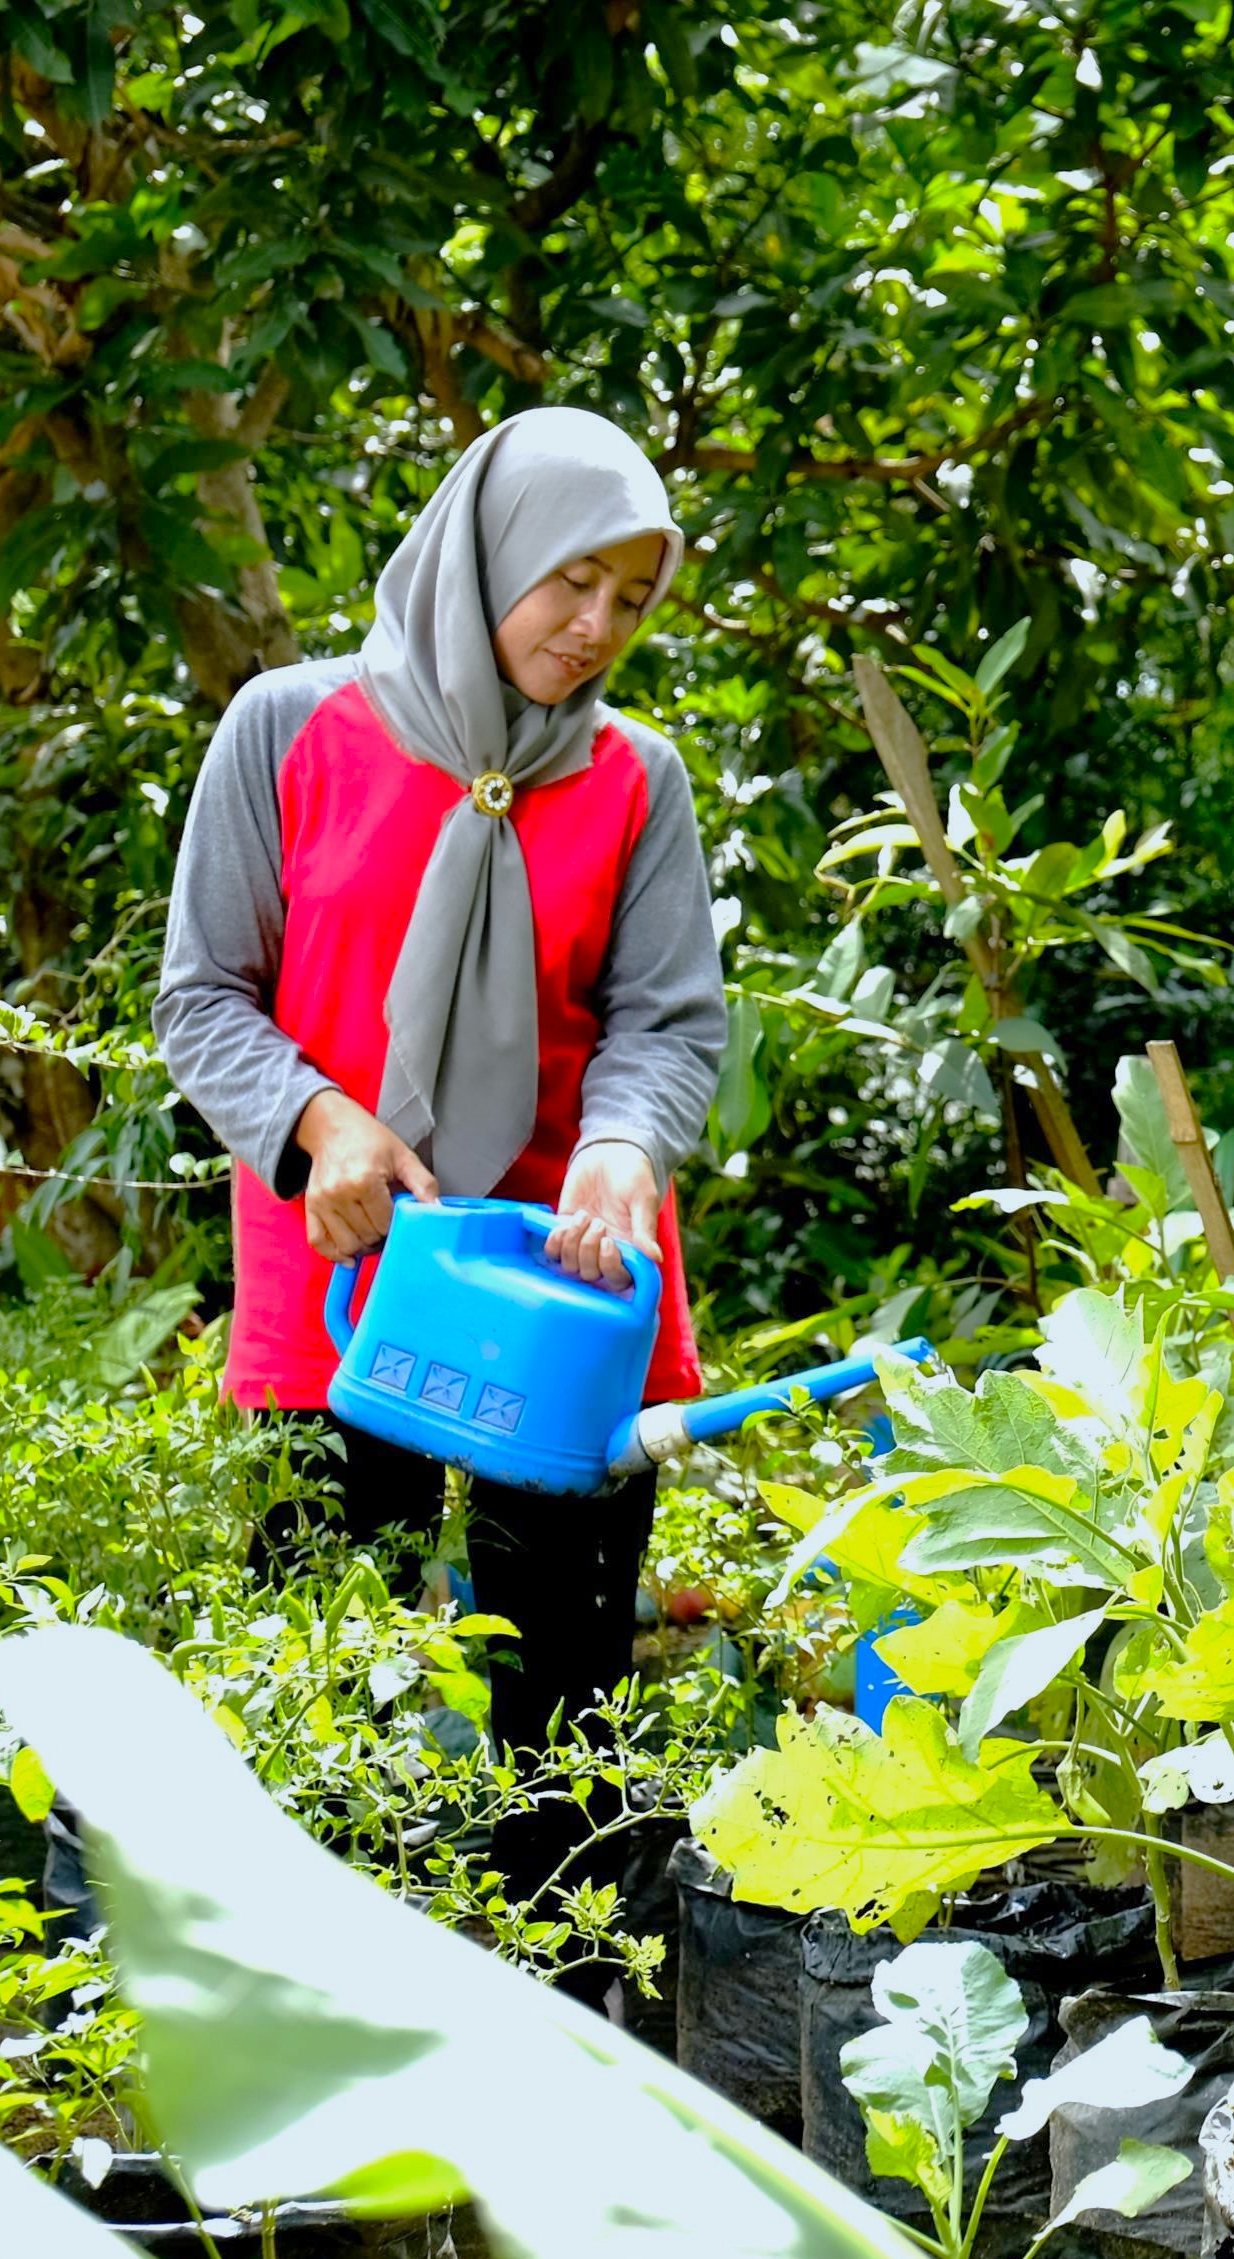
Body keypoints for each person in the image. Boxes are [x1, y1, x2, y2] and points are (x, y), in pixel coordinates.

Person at [154, 408, 725, 1926]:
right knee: (325, 1710)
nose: (597, 627)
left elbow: (665, 1023)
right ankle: (331, 2074)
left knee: (564, 1733)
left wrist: (621, 1144)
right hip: (339, 1297)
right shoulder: (289, 729)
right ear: (489, 555)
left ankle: (551, 2049)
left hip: (562, 1295)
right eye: (571, 583)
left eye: (634, 599)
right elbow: (201, 994)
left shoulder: (632, 780)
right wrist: (318, 1123)